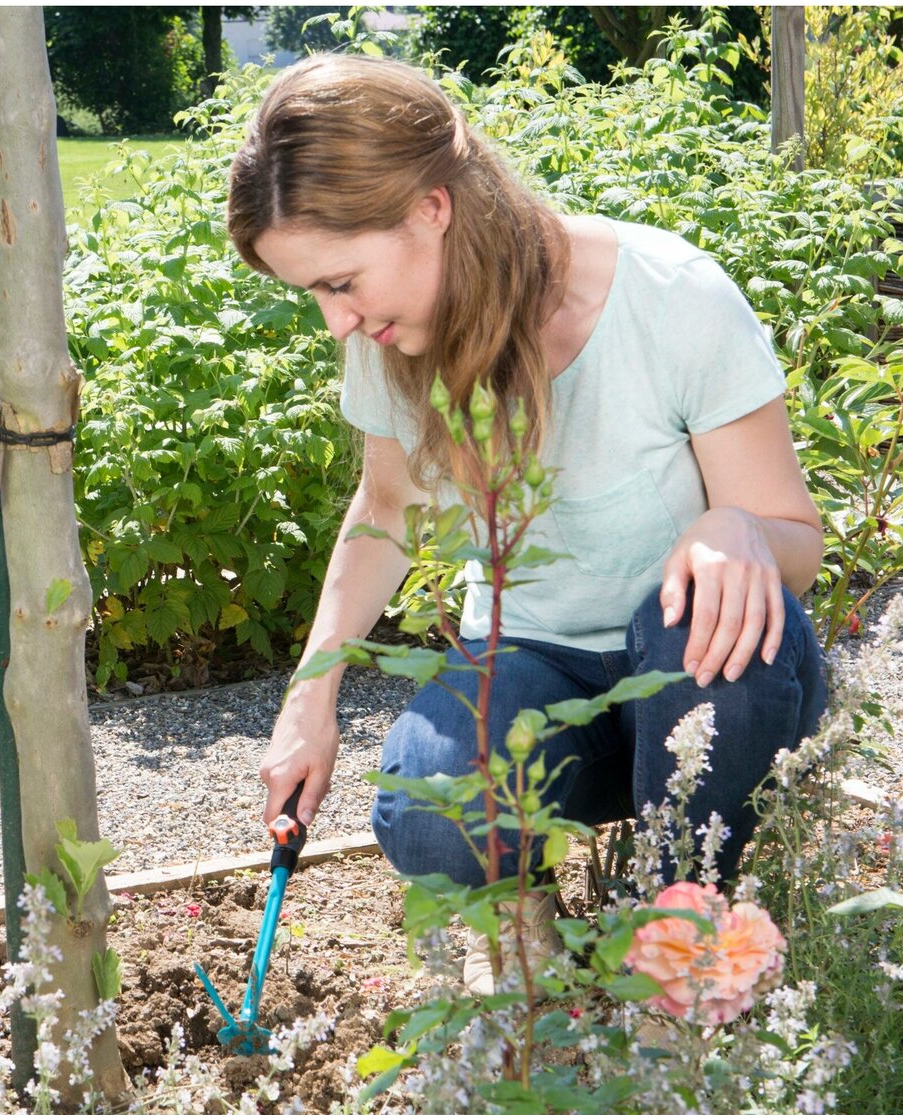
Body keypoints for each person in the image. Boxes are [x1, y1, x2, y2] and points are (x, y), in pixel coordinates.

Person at [224, 54, 832, 995]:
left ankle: (682, 945)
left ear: (432, 207)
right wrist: (309, 700)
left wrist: (742, 527)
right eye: (315, 294)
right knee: (425, 807)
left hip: (699, 682)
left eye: (341, 283)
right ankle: (524, 943)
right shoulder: (394, 338)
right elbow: (385, 512)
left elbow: (795, 535)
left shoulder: (673, 299)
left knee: (710, 642)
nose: (337, 322)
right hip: (536, 666)